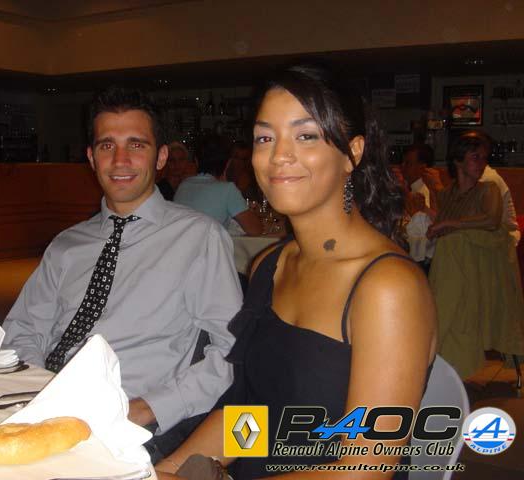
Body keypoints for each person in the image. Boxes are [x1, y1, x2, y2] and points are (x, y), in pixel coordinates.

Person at [156, 65, 437, 479]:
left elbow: (364, 469)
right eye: (264, 138)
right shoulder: (270, 264)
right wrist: (167, 470)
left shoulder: (387, 287)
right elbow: (253, 414)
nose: (278, 156)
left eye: (305, 136)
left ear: (353, 153)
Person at [2, 87, 242, 461]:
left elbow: (232, 351)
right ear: (91, 158)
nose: (120, 160)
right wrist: (42, 387)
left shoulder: (199, 238)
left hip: (124, 424)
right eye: (106, 146)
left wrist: (148, 407)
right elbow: (22, 329)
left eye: (136, 145)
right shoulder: (67, 244)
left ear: (161, 157)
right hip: (43, 412)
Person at [428, 132, 524, 379]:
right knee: (444, 249)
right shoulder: (447, 194)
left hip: (486, 267)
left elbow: (492, 221)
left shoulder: (488, 189)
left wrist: (451, 224)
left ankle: (435, 341)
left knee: (451, 246)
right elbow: (440, 228)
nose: (482, 163)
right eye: (475, 158)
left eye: (484, 158)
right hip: (460, 266)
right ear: (458, 160)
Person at [174, 134, 263, 235]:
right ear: (227, 163)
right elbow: (256, 230)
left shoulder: (183, 186)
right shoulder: (227, 189)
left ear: (196, 161)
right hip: (208, 245)